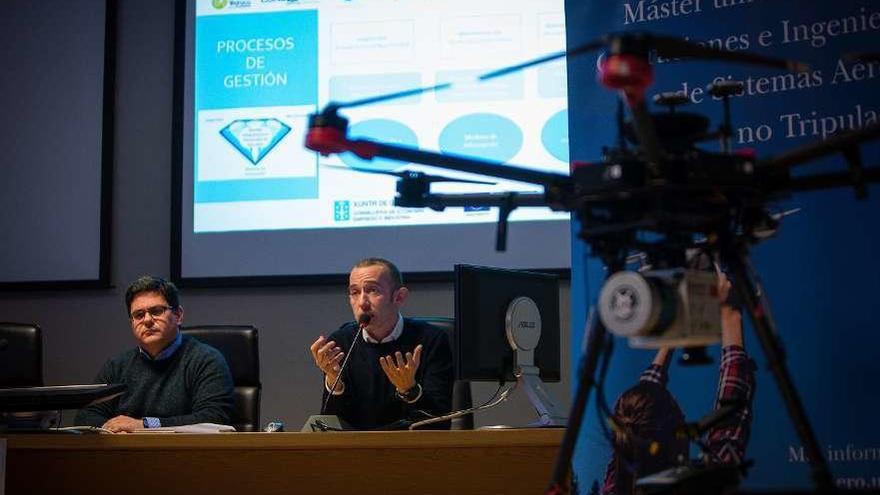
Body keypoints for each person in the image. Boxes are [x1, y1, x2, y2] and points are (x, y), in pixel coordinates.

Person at [602, 273, 756, 495]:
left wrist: (675, 325)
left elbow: (644, 408)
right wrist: (729, 313)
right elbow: (730, 414)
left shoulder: (615, 485)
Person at [75, 276, 234, 432]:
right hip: (127, 454)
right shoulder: (117, 366)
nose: (147, 320)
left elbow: (214, 417)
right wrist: (113, 428)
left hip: (186, 454)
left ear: (178, 315)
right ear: (132, 323)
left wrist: (144, 425)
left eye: (156, 311)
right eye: (139, 315)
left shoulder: (206, 360)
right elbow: (86, 416)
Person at [309, 258, 453, 430]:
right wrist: (335, 383)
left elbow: (440, 424)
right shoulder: (341, 343)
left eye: (372, 290)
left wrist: (410, 389)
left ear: (399, 297)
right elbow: (330, 426)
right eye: (355, 292)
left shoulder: (430, 340)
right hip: (359, 452)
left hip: (412, 450)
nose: (362, 302)